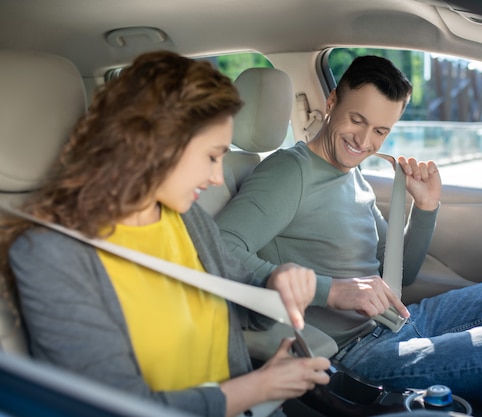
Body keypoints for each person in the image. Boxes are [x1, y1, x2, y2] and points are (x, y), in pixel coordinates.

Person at [215, 55, 482, 416]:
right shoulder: (289, 172)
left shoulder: (350, 175)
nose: (364, 141)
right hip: (352, 353)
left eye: (381, 131)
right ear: (332, 101)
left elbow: (400, 275)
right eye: (357, 120)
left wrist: (426, 209)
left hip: (395, 320)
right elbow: (220, 250)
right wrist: (332, 290)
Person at [0, 51, 330, 417]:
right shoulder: (49, 255)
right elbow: (112, 408)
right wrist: (257, 387)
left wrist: (277, 283)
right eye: (211, 156)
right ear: (157, 146)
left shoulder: (186, 219)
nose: (218, 177)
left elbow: (246, 306)